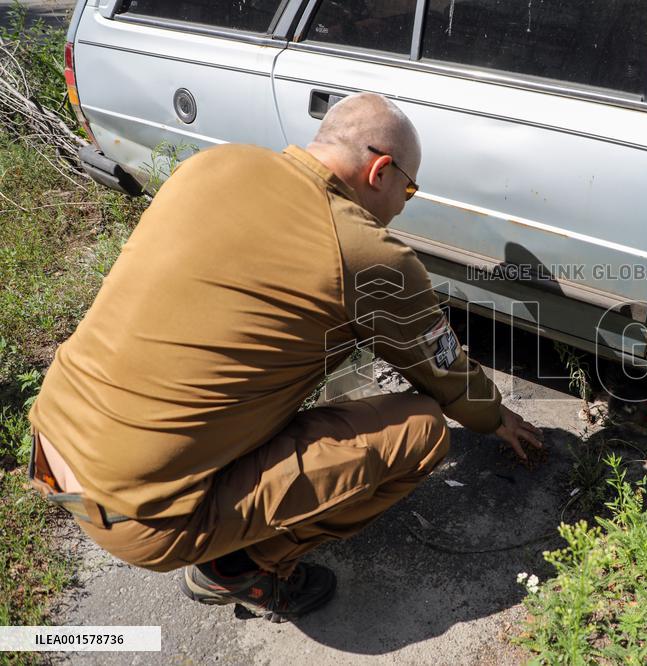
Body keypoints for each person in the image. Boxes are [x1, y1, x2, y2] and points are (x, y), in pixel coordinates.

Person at [27, 93, 542, 623]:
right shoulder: (366, 252)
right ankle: (239, 569)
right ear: (381, 171)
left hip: (51, 443)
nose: (404, 203)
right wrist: (494, 416)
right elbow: (444, 369)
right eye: (407, 188)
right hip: (143, 518)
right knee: (424, 431)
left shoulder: (216, 163)